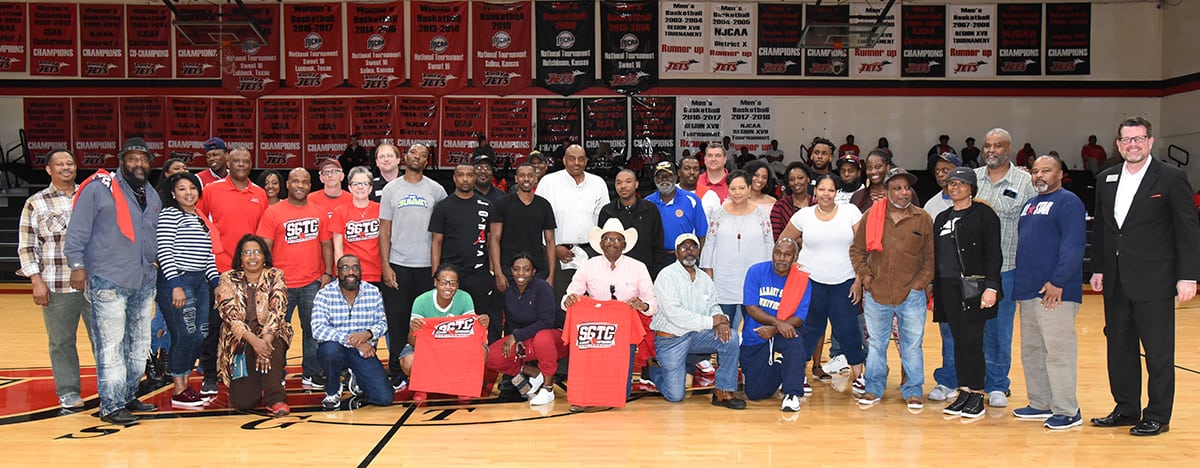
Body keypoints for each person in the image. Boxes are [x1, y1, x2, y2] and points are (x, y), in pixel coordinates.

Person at [1089, 117, 1200, 436]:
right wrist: (1097, 267)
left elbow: (1188, 230)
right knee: (1119, 347)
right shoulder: (1106, 178)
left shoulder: (1170, 177)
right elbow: (1102, 229)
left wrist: (1188, 275)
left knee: (1158, 351)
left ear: (1150, 142)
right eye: (1126, 140)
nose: (1132, 145)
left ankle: (1158, 414)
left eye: (1139, 139)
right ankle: (1126, 408)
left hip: (1156, 279)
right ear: (1118, 144)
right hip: (1115, 278)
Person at [65, 137, 162, 424]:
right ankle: (110, 405)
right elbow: (78, 230)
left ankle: (128, 394)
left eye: (143, 159)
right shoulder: (99, 187)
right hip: (109, 279)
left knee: (139, 344)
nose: (138, 163)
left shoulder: (151, 194)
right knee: (112, 345)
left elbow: (152, 234)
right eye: (133, 158)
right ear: (122, 161)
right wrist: (78, 266)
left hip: (143, 280)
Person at [849, 167, 934, 409]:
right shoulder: (871, 216)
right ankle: (874, 388)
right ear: (886, 191)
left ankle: (913, 390)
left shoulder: (922, 218)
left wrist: (920, 283)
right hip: (877, 293)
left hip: (912, 294)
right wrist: (865, 276)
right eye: (897, 188)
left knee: (912, 344)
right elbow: (856, 250)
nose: (904, 192)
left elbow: (930, 258)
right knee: (876, 343)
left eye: (907, 188)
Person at [1013, 155, 1087, 430]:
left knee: (1059, 352)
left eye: (1046, 170)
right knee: (1032, 350)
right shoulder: (1030, 205)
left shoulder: (1069, 202)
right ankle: (1040, 403)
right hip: (1029, 290)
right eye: (1035, 171)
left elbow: (1074, 245)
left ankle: (1068, 410)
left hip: (1055, 292)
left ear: (1060, 174)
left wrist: (1058, 281)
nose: (1039, 176)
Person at [17, 149, 94, 410]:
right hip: (56, 283)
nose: (65, 167)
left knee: (105, 339)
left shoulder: (90, 196)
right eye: (59, 164)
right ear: (48, 170)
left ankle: (111, 389)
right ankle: (69, 392)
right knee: (61, 341)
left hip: (97, 284)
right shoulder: (35, 203)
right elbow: (27, 247)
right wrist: (36, 281)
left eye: (69, 163)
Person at [778, 174, 866, 396]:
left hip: (844, 281)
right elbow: (784, 242)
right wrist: (796, 261)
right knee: (811, 329)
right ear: (814, 191)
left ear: (836, 193)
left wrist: (858, 280)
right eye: (822, 190)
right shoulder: (804, 216)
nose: (826, 194)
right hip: (811, 282)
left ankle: (859, 376)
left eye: (831, 190)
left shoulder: (851, 213)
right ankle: (798, 375)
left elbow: (862, 248)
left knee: (848, 330)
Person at [195, 148, 269, 394]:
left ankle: (243, 372)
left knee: (249, 324)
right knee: (215, 324)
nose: (240, 164)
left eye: (245, 161)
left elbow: (263, 236)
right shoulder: (212, 191)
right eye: (235, 160)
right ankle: (209, 374)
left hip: (249, 274)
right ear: (228, 162)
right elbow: (199, 221)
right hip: (218, 270)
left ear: (251, 164)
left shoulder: (259, 194)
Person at [931, 167, 1002, 419]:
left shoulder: (984, 215)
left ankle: (976, 394)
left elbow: (994, 254)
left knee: (972, 341)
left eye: (961, 183)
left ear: (972, 188)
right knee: (958, 342)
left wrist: (991, 287)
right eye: (951, 183)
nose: (955, 187)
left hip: (974, 288)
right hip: (947, 288)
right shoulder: (941, 217)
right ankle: (963, 391)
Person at [972, 128, 1035, 408]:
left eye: (998, 146)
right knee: (973, 328)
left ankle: (998, 384)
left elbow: (1035, 226)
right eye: (987, 146)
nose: (991, 150)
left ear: (1009, 149)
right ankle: (974, 379)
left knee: (999, 329)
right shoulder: (972, 179)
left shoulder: (1025, 182)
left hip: (1007, 268)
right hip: (973, 269)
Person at [256, 168, 334, 389]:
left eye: (305, 182)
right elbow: (264, 248)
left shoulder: (318, 211)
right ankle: (276, 373)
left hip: (312, 282)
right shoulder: (273, 212)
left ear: (310, 186)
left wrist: (328, 272)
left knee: (312, 330)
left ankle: (311, 373)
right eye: (295, 181)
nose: (300, 185)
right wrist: (268, 280)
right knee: (277, 331)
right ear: (287, 185)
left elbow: (326, 244)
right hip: (281, 285)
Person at [645, 234, 744, 409]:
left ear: (698, 251)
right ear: (676, 252)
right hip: (671, 340)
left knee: (731, 338)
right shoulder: (666, 276)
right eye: (683, 248)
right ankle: (653, 369)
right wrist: (711, 321)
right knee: (675, 395)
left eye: (693, 247)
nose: (689, 251)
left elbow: (713, 306)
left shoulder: (705, 279)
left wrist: (721, 322)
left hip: (696, 336)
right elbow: (674, 314)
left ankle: (723, 391)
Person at [561, 219, 658, 395]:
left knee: (622, 391)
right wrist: (569, 300)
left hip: (625, 328)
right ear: (600, 244)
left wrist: (641, 305)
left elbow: (652, 304)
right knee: (596, 384)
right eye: (607, 239)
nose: (611, 243)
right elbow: (569, 296)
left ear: (624, 244)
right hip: (595, 328)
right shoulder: (587, 266)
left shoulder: (638, 267)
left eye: (616, 239)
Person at [378, 143, 447, 388]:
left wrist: (438, 270)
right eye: (413, 153)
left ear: (427, 161)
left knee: (425, 324)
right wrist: (385, 265)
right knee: (397, 323)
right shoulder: (391, 189)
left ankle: (429, 370)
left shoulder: (436, 190)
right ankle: (397, 375)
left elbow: (441, 233)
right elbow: (384, 230)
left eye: (423, 155)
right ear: (405, 157)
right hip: (398, 266)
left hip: (427, 268)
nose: (417, 157)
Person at [155, 172, 220, 407]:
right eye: (182, 188)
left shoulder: (200, 218)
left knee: (200, 334)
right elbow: (164, 252)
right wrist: (175, 286)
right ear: (173, 193)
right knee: (184, 335)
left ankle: (186, 382)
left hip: (200, 283)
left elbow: (208, 257)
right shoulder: (170, 215)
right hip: (179, 282)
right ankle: (178, 389)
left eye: (192, 188)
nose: (188, 192)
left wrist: (217, 286)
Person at [214, 235, 291, 416]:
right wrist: (255, 342)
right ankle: (259, 381)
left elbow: (278, 310)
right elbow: (230, 316)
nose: (252, 257)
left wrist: (264, 342)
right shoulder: (227, 278)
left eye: (257, 252)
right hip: (239, 339)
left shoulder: (275, 275)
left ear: (264, 256)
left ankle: (275, 398)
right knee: (243, 402)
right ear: (240, 258)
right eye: (247, 253)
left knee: (273, 346)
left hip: (270, 335)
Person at [485, 254, 567, 407]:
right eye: (517, 269)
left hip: (556, 338)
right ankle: (535, 374)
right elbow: (512, 322)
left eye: (526, 269)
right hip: (528, 337)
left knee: (542, 338)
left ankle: (548, 389)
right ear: (511, 271)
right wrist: (517, 338)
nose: (521, 273)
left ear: (534, 271)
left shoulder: (543, 288)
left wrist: (517, 336)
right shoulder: (509, 291)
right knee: (491, 356)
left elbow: (546, 322)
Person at [313, 255, 393, 410]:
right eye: (345, 268)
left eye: (355, 267)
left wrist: (368, 333)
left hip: (363, 352)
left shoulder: (372, 291)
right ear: (337, 272)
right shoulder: (324, 294)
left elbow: (383, 324)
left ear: (360, 271)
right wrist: (354, 342)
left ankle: (355, 377)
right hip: (337, 349)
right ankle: (333, 390)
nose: (350, 272)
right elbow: (318, 329)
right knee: (329, 351)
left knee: (384, 398)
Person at [699, 170, 774, 335]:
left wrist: (769, 275)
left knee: (755, 327)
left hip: (754, 281)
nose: (737, 193)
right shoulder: (719, 215)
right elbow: (709, 245)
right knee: (724, 326)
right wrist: (708, 273)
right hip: (724, 281)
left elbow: (769, 245)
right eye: (733, 189)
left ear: (749, 188)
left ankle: (752, 359)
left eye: (741, 188)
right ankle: (726, 360)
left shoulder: (761, 215)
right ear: (728, 190)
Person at [740, 238, 811, 411]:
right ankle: (784, 366)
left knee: (794, 341)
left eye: (787, 255)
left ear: (795, 257)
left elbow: (799, 318)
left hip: (784, 332)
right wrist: (777, 324)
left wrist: (775, 329)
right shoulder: (756, 271)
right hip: (757, 333)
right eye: (778, 253)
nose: (781, 258)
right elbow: (751, 308)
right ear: (772, 253)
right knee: (756, 393)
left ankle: (792, 393)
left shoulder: (802, 280)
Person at [397, 264, 489, 398]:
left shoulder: (465, 298)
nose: (448, 287)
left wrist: (483, 323)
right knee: (408, 362)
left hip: (455, 348)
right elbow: (412, 342)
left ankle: (462, 386)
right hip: (427, 349)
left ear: (458, 285)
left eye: (452, 283)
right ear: (435, 282)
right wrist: (413, 331)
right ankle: (422, 386)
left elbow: (471, 335)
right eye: (444, 283)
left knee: (482, 352)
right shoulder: (421, 301)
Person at [430, 165, 497, 340]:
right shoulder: (443, 207)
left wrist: (491, 270)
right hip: (450, 274)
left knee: (478, 320)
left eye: (469, 175)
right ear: (454, 178)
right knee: (450, 322)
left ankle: (477, 359)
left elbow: (492, 241)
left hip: (479, 274)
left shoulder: (486, 205)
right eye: (461, 175)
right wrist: (435, 274)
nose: (465, 179)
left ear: (475, 178)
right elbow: (436, 242)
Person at [536, 144, 609, 299]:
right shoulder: (548, 182)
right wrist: (553, 247)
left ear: (586, 161)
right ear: (563, 160)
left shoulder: (598, 183)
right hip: (558, 253)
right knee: (561, 301)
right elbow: (537, 221)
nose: (576, 163)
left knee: (591, 300)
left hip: (591, 253)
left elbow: (604, 219)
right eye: (572, 159)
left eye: (581, 159)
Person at [923, 151, 963, 403]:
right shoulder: (932, 206)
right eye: (938, 171)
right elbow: (927, 248)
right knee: (948, 333)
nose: (942, 174)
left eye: (947, 169)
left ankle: (980, 382)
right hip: (944, 280)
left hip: (973, 280)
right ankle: (948, 380)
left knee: (976, 334)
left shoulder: (977, 202)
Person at [488, 163, 557, 294]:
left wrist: (551, 276)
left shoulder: (544, 205)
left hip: (537, 269)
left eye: (530, 176)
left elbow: (550, 242)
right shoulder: (502, 204)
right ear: (516, 178)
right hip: (508, 270)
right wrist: (498, 273)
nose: (526, 179)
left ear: (536, 178)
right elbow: (494, 240)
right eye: (522, 176)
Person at [599, 169, 668, 278]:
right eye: (619, 182)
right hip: (615, 273)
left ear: (636, 184)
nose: (623, 186)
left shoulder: (650, 209)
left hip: (645, 272)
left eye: (628, 181)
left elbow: (658, 244)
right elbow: (602, 246)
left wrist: (657, 274)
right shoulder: (607, 211)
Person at [331, 167, 382, 287]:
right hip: (349, 273)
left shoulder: (381, 210)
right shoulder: (339, 211)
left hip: (375, 272)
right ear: (349, 187)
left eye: (364, 183)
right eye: (356, 184)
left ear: (370, 188)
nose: (360, 187)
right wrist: (341, 272)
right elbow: (338, 247)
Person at [645, 161, 708, 255]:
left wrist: (701, 259)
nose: (664, 179)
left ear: (675, 177)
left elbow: (702, 233)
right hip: (656, 257)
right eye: (659, 176)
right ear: (654, 180)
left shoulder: (692, 200)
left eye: (668, 175)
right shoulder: (647, 202)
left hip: (684, 256)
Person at [769, 161, 813, 239]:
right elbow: (775, 237)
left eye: (800, 178)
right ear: (788, 183)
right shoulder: (780, 206)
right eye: (792, 179)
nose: (796, 182)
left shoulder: (816, 204)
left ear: (808, 179)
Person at [849, 149, 891, 213]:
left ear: (888, 167)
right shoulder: (857, 197)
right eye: (869, 168)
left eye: (878, 167)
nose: (873, 171)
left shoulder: (902, 192)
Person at [695, 145, 730, 219]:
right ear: (704, 160)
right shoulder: (695, 182)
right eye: (710, 156)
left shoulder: (735, 182)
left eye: (718, 156)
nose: (713, 159)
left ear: (725, 159)